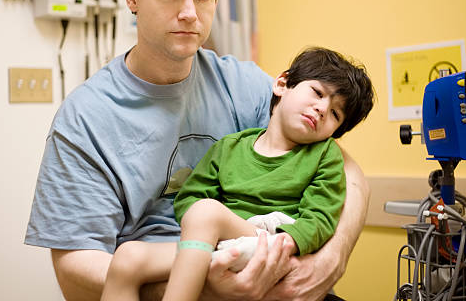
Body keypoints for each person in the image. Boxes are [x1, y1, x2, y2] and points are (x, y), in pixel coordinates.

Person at [25, 0, 371, 301]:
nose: (189, 12)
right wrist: (206, 288)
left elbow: (348, 171)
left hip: (269, 269)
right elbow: (75, 268)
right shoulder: (85, 119)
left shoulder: (242, 84)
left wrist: (331, 259)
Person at [100, 47, 375, 301]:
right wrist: (209, 233)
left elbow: (320, 217)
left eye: (336, 114)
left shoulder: (324, 155)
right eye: (317, 92)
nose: (323, 108)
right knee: (127, 258)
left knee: (206, 212)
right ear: (282, 84)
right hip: (216, 242)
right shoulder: (229, 147)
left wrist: (286, 242)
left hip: (273, 244)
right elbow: (189, 198)